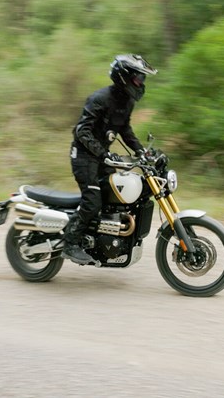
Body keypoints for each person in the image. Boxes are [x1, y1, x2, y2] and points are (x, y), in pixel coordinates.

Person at [62, 54, 158, 265]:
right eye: (138, 78)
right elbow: (82, 131)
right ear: (124, 76)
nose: (141, 83)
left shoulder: (127, 101)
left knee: (111, 197)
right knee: (92, 200)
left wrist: (142, 152)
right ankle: (70, 243)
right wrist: (103, 153)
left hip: (101, 158)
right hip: (84, 157)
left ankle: (99, 240)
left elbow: (125, 129)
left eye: (142, 79)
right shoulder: (99, 98)